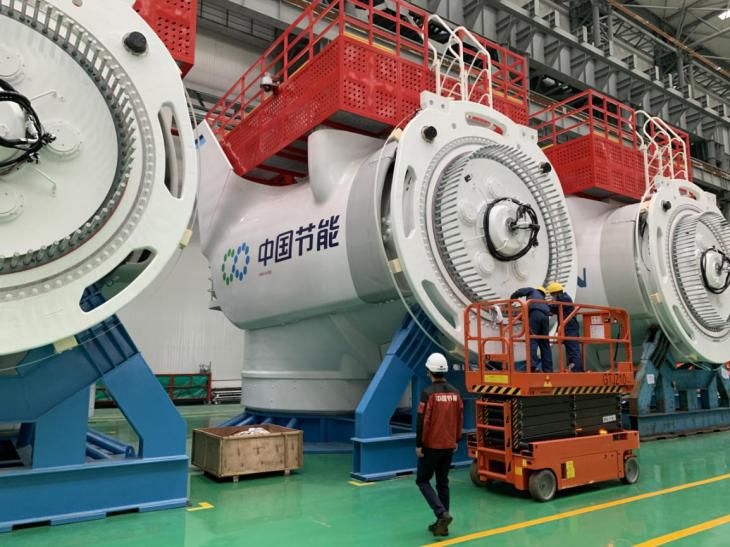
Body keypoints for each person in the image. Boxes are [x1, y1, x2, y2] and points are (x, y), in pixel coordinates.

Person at [416, 353, 463, 538]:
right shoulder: (455, 392)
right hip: (449, 445)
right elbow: (459, 418)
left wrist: (419, 444)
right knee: (443, 483)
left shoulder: (428, 393)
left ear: (429, 371)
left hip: (431, 446)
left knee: (422, 480)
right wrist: (456, 440)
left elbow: (423, 421)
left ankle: (441, 513)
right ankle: (442, 525)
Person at [509, 286, 553, 372]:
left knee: (533, 340)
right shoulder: (543, 301)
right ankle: (548, 369)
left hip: (535, 315)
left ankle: (532, 366)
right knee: (545, 343)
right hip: (545, 317)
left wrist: (512, 299)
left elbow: (520, 291)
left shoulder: (532, 290)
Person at [547, 281, 584, 372]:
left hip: (570, 328)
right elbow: (554, 309)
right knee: (570, 350)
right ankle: (573, 369)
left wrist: (541, 305)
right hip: (567, 328)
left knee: (573, 350)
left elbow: (553, 307)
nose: (552, 297)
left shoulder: (564, 299)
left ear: (556, 293)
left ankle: (577, 370)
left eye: (552, 295)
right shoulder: (562, 299)